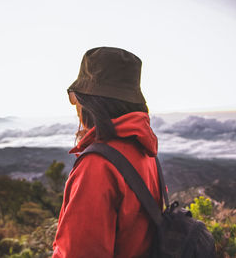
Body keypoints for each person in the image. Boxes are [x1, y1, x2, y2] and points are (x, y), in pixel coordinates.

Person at [52, 47, 163, 258]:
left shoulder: (98, 166)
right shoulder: (145, 151)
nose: (75, 107)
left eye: (75, 98)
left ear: (91, 102)